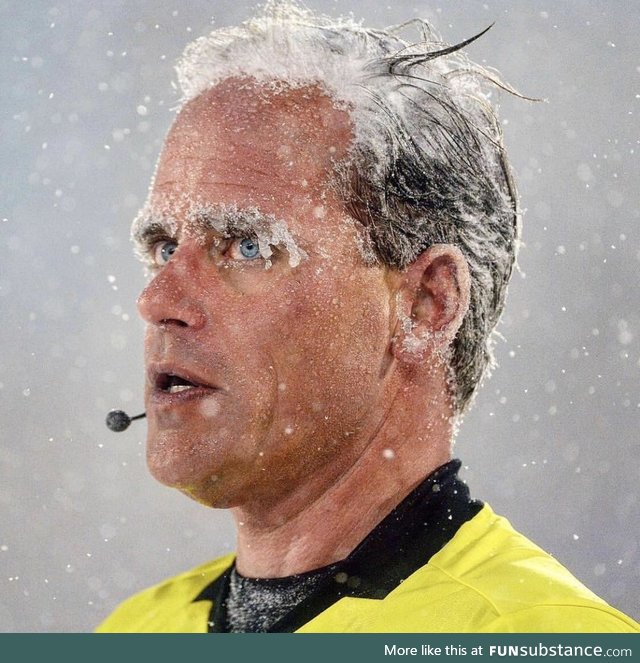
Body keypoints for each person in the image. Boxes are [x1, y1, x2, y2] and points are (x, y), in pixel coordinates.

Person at [96, 1, 638, 633]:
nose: (157, 301)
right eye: (164, 247)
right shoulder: (135, 629)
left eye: (247, 246)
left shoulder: (538, 637)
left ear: (425, 306)